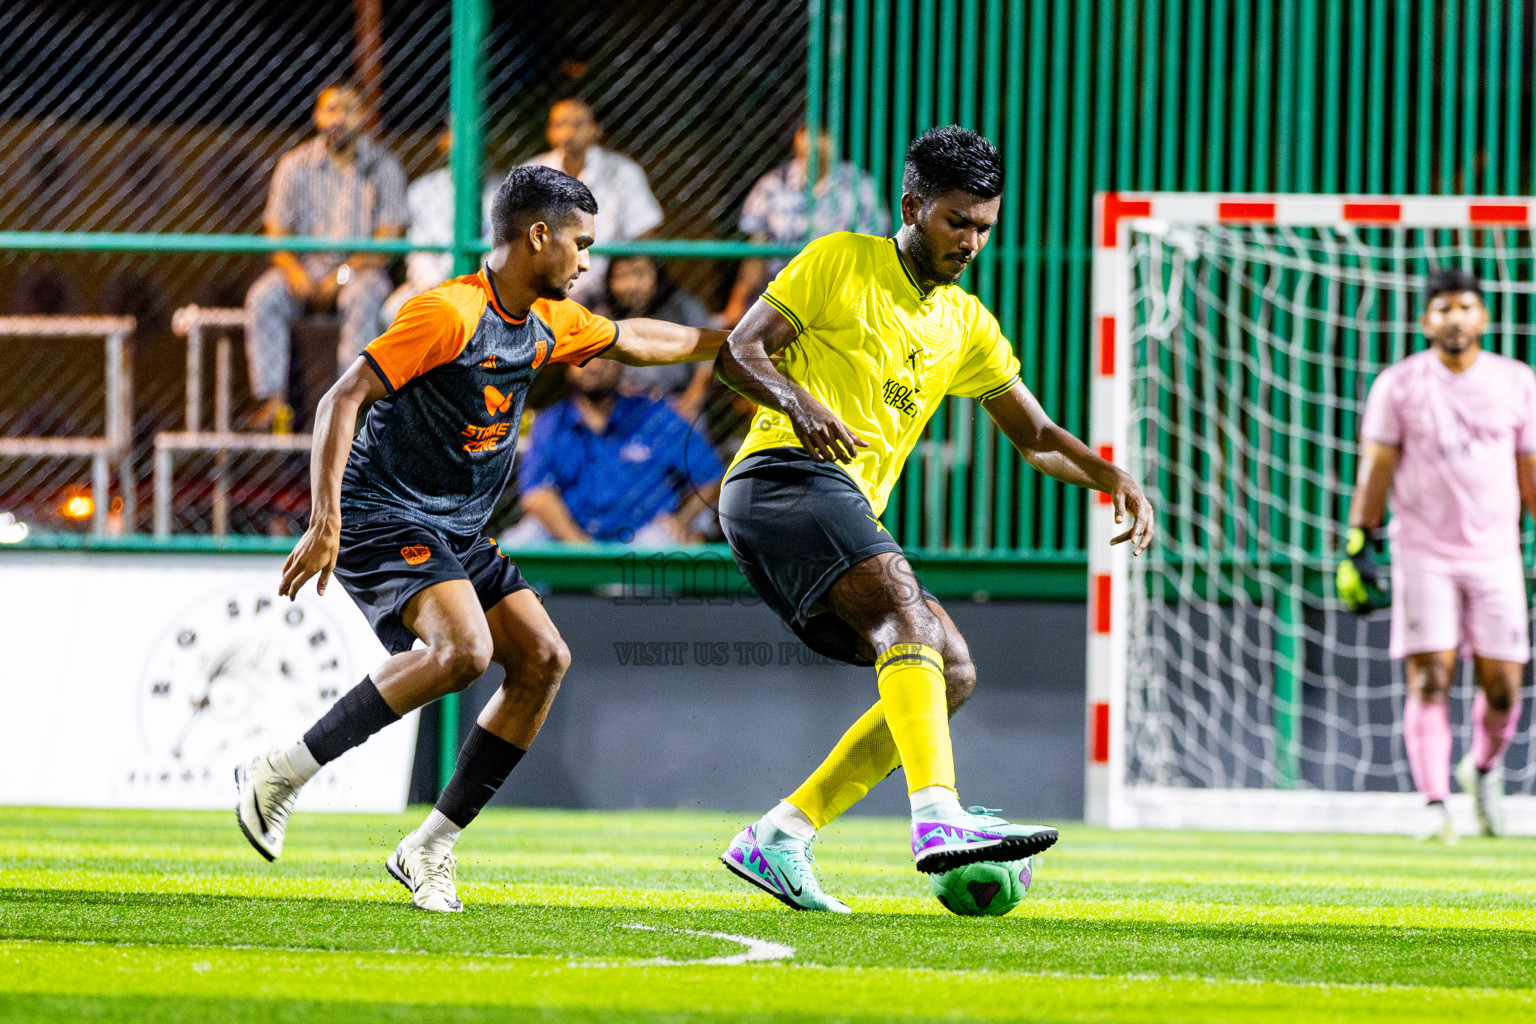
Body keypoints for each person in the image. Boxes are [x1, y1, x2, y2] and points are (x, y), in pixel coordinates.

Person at [233, 165, 724, 911]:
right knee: (464, 652)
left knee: (544, 660)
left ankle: (428, 845)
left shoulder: (550, 321)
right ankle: (282, 771)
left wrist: (736, 341)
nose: (589, 261)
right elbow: (343, 397)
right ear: (538, 237)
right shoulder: (448, 314)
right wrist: (325, 519)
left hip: (456, 526)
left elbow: (636, 342)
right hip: (382, 512)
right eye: (581, 244)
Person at [712, 126, 1154, 911]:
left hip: (832, 505)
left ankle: (781, 835)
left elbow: (1038, 439)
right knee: (908, 619)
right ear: (913, 206)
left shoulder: (966, 323)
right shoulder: (840, 260)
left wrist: (1109, 474)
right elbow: (738, 352)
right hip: (781, 478)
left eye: (985, 225)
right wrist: (800, 403)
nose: (973, 241)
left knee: (950, 670)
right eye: (957, 221)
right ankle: (936, 818)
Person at [1337, 267, 1534, 842]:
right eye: (1443, 308)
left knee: (1503, 687)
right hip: (1422, 552)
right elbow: (1376, 467)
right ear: (1426, 320)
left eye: (1465, 307)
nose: (1455, 317)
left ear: (1484, 317)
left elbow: (1530, 472)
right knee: (1430, 678)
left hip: (1496, 555)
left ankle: (1482, 770)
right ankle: (1434, 804)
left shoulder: (1517, 382)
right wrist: (1359, 540)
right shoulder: (1398, 385)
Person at [244, 82, 407, 432]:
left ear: (363, 116)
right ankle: (273, 402)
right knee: (263, 297)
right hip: (304, 267)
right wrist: (294, 272)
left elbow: (388, 237)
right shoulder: (294, 164)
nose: (339, 118)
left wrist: (343, 274)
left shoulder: (384, 166)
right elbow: (276, 230)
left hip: (360, 268)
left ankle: (348, 405)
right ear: (317, 117)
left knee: (365, 296)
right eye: (331, 109)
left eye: (348, 109)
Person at [505, 357, 723, 546]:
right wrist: (582, 549)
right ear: (569, 366)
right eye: (584, 356)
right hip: (568, 536)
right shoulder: (551, 422)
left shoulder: (655, 416)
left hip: (640, 536)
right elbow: (535, 494)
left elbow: (711, 477)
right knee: (514, 548)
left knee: (659, 545)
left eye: (605, 355)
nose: (595, 365)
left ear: (621, 362)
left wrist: (682, 521)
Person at [721, 125, 889, 328]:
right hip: (779, 298)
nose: (815, 141)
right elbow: (755, 255)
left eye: (823, 134)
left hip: (840, 302)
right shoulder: (772, 185)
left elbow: (872, 253)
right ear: (797, 138)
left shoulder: (860, 186)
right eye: (808, 132)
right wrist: (737, 301)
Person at [525, 98, 663, 305]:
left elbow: (644, 230)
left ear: (595, 129)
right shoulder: (532, 173)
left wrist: (623, 272)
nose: (569, 132)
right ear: (549, 132)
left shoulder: (621, 171)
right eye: (560, 124)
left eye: (578, 124)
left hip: (605, 289)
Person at [381, 127, 501, 329]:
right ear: (443, 142)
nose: (466, 144)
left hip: (490, 290)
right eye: (457, 136)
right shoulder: (422, 190)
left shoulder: (505, 190)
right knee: (392, 312)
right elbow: (419, 251)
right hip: (432, 285)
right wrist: (433, 286)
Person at [594, 255, 715, 420]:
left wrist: (689, 403)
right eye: (621, 276)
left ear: (657, 275)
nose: (631, 285)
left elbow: (708, 363)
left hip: (677, 405)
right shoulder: (602, 318)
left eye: (640, 274)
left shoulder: (682, 308)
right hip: (622, 411)